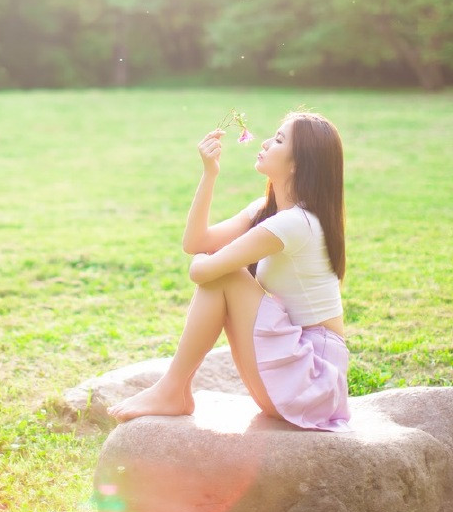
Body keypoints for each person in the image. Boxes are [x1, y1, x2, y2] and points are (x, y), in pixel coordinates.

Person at [108, 111, 351, 432]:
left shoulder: (295, 223)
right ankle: (173, 390)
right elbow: (196, 242)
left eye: (278, 140)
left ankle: (173, 389)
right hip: (292, 367)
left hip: (313, 377)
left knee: (227, 275)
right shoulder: (268, 211)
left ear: (297, 164)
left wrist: (209, 261)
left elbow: (203, 271)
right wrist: (210, 174)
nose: (265, 142)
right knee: (223, 272)